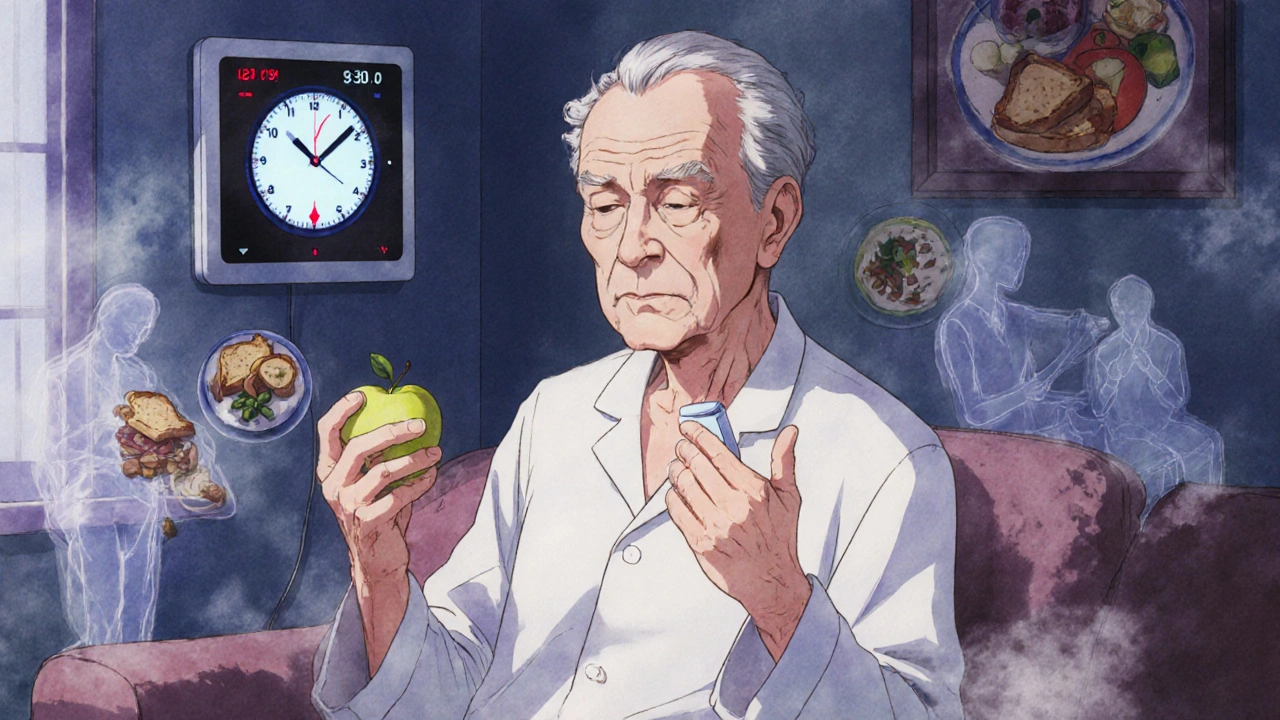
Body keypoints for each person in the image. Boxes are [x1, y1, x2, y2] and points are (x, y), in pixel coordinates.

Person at [313, 31, 963, 719]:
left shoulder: (883, 455)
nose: (632, 248)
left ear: (773, 221)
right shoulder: (554, 415)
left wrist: (780, 600)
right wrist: (379, 567)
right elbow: (448, 689)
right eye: (605, 206)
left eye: (678, 202)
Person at [935, 216, 1110, 448]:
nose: (1020, 264)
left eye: (1021, 256)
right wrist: (1026, 392)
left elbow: (1072, 325)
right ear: (984, 258)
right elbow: (975, 413)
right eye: (1013, 256)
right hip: (993, 448)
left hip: (1030, 439)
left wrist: (1092, 325)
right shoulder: (957, 325)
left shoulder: (1016, 315)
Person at [1087, 275, 1224, 516]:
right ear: (1115, 310)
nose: (1128, 319)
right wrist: (1112, 379)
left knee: (1208, 442)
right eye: (1122, 312)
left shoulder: (1167, 345)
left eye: (1134, 312)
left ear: (1147, 307)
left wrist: (1152, 371)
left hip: (1164, 425)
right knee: (1161, 461)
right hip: (1126, 431)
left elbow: (1178, 400)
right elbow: (1098, 408)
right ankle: (1161, 525)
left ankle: (1204, 515)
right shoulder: (1105, 352)